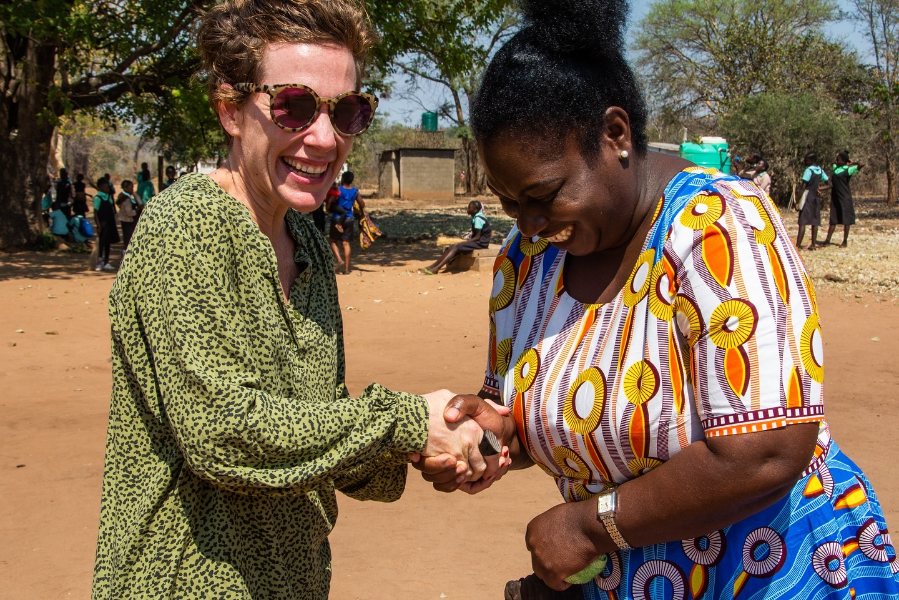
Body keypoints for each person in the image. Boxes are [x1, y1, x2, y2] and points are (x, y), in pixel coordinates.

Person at [414, 1, 899, 598]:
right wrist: (494, 433)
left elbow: (768, 451)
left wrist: (591, 527)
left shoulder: (718, 228)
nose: (530, 222)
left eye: (544, 194)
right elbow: (552, 404)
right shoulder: (525, 259)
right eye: (511, 203)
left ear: (615, 135)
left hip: (772, 573)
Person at [90, 2, 508, 599]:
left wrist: (429, 446)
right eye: (294, 106)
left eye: (347, 112)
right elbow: (225, 432)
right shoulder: (186, 226)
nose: (323, 137)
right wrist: (404, 422)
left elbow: (313, 424)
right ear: (231, 109)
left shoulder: (306, 238)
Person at [423, 200, 492, 274]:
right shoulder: (476, 218)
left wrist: (465, 242)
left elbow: (477, 237)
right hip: (477, 241)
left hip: (481, 243)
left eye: (469, 208)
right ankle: (433, 266)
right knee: (451, 247)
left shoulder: (478, 219)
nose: (467, 209)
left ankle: (436, 268)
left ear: (475, 210)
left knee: (456, 247)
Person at [825, 151, 863, 248]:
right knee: (833, 219)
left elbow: (861, 164)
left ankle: (844, 241)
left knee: (846, 220)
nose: (837, 160)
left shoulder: (848, 170)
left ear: (844, 161)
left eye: (839, 159)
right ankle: (827, 240)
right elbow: (832, 163)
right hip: (835, 198)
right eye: (836, 159)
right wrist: (838, 162)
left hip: (845, 198)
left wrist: (850, 163)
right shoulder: (836, 168)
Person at [797, 151, 830, 251]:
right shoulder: (820, 170)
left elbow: (804, 186)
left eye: (806, 160)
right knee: (815, 221)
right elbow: (830, 184)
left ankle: (798, 245)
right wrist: (820, 188)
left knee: (802, 221)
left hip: (807, 195)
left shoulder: (808, 170)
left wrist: (798, 201)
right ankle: (813, 244)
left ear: (811, 160)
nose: (804, 162)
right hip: (815, 197)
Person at [329, 171, 361, 273]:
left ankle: (339, 260)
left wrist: (328, 208)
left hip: (337, 217)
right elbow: (362, 204)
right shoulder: (355, 191)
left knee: (333, 241)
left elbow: (331, 199)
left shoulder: (339, 189)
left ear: (342, 179)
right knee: (346, 243)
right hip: (349, 218)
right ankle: (346, 269)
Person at [93, 178, 119, 271]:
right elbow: (95, 212)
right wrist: (98, 225)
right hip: (102, 223)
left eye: (108, 187)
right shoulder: (97, 198)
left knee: (108, 242)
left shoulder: (108, 197)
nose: (108, 188)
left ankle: (106, 262)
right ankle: (99, 262)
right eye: (106, 186)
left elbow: (111, 208)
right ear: (100, 187)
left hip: (109, 222)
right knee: (101, 243)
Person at [115, 180, 141, 254]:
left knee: (127, 238)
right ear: (125, 188)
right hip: (128, 221)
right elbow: (129, 212)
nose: (132, 189)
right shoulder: (126, 199)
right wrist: (137, 210)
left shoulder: (125, 196)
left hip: (126, 220)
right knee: (128, 238)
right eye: (131, 188)